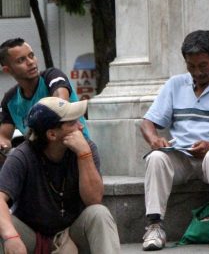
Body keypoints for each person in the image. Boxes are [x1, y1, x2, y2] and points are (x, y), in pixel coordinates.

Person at [140, 30, 209, 251]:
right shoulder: (175, 85)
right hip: (182, 156)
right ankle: (155, 226)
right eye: (191, 66)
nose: (197, 72)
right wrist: (154, 139)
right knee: (155, 158)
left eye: (203, 66)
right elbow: (147, 123)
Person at [0, 96, 120, 253]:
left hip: (72, 234)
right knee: (3, 226)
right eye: (72, 123)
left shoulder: (86, 148)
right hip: (32, 237)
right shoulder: (22, 155)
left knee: (99, 214)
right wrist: (11, 237)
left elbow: (94, 200)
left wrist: (84, 155)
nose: (80, 127)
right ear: (52, 135)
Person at [0, 38, 90, 154]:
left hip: (75, 152)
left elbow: (60, 105)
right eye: (21, 60)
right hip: (41, 160)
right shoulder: (10, 100)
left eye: (31, 56)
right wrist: (3, 145)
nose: (31, 62)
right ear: (7, 70)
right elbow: (4, 137)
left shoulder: (52, 77)